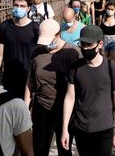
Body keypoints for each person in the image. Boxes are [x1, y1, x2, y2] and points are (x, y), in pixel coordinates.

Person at [61, 25, 115, 156]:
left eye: (89, 45)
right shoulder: (75, 68)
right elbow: (70, 98)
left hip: (104, 129)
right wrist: (64, 129)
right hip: (81, 128)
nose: (84, 48)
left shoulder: (112, 68)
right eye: (82, 44)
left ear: (100, 44)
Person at [25, 19, 80, 156]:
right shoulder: (37, 52)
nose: (46, 45)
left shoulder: (73, 54)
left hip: (64, 111)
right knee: (39, 149)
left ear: (58, 34)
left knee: (64, 151)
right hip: (41, 108)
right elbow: (30, 82)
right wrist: (25, 108)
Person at [0, 0, 39, 99]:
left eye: (22, 6)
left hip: (28, 78)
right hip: (9, 77)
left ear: (28, 8)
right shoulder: (4, 27)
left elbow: (39, 55)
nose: (18, 8)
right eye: (16, 5)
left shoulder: (35, 29)